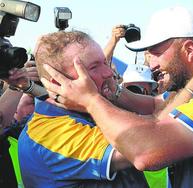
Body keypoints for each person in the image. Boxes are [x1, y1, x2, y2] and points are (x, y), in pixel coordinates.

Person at [42, 5, 193, 188]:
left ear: (188, 50)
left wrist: (91, 100)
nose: (151, 63)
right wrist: (115, 93)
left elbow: (146, 153)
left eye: (156, 52)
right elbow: (157, 105)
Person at [18, 31, 149, 188]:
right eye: (94, 67)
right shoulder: (51, 132)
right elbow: (148, 148)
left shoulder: (85, 109)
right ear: (59, 82)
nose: (108, 73)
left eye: (105, 63)